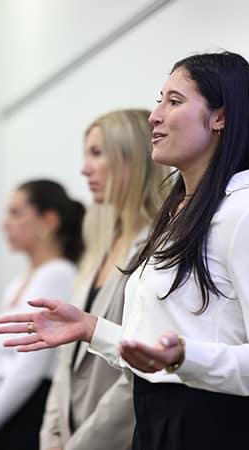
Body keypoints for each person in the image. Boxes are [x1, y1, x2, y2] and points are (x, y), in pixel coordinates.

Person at [0, 51, 249, 450]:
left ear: (220, 117)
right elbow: (153, 351)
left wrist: (184, 359)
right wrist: (90, 329)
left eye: (174, 102)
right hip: (157, 427)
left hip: (216, 433)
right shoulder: (179, 215)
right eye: (160, 100)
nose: (155, 115)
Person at [38, 109, 169, 450]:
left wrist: (81, 445)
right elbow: (66, 360)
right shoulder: (99, 247)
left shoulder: (160, 248)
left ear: (134, 159)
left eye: (97, 153)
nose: (84, 169)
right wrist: (52, 437)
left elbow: (136, 376)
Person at [0, 180, 84, 450]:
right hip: (4, 412)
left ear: (48, 221)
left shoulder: (58, 275)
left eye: (16, 213)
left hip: (28, 412)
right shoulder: (18, 283)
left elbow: (27, 371)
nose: (5, 224)